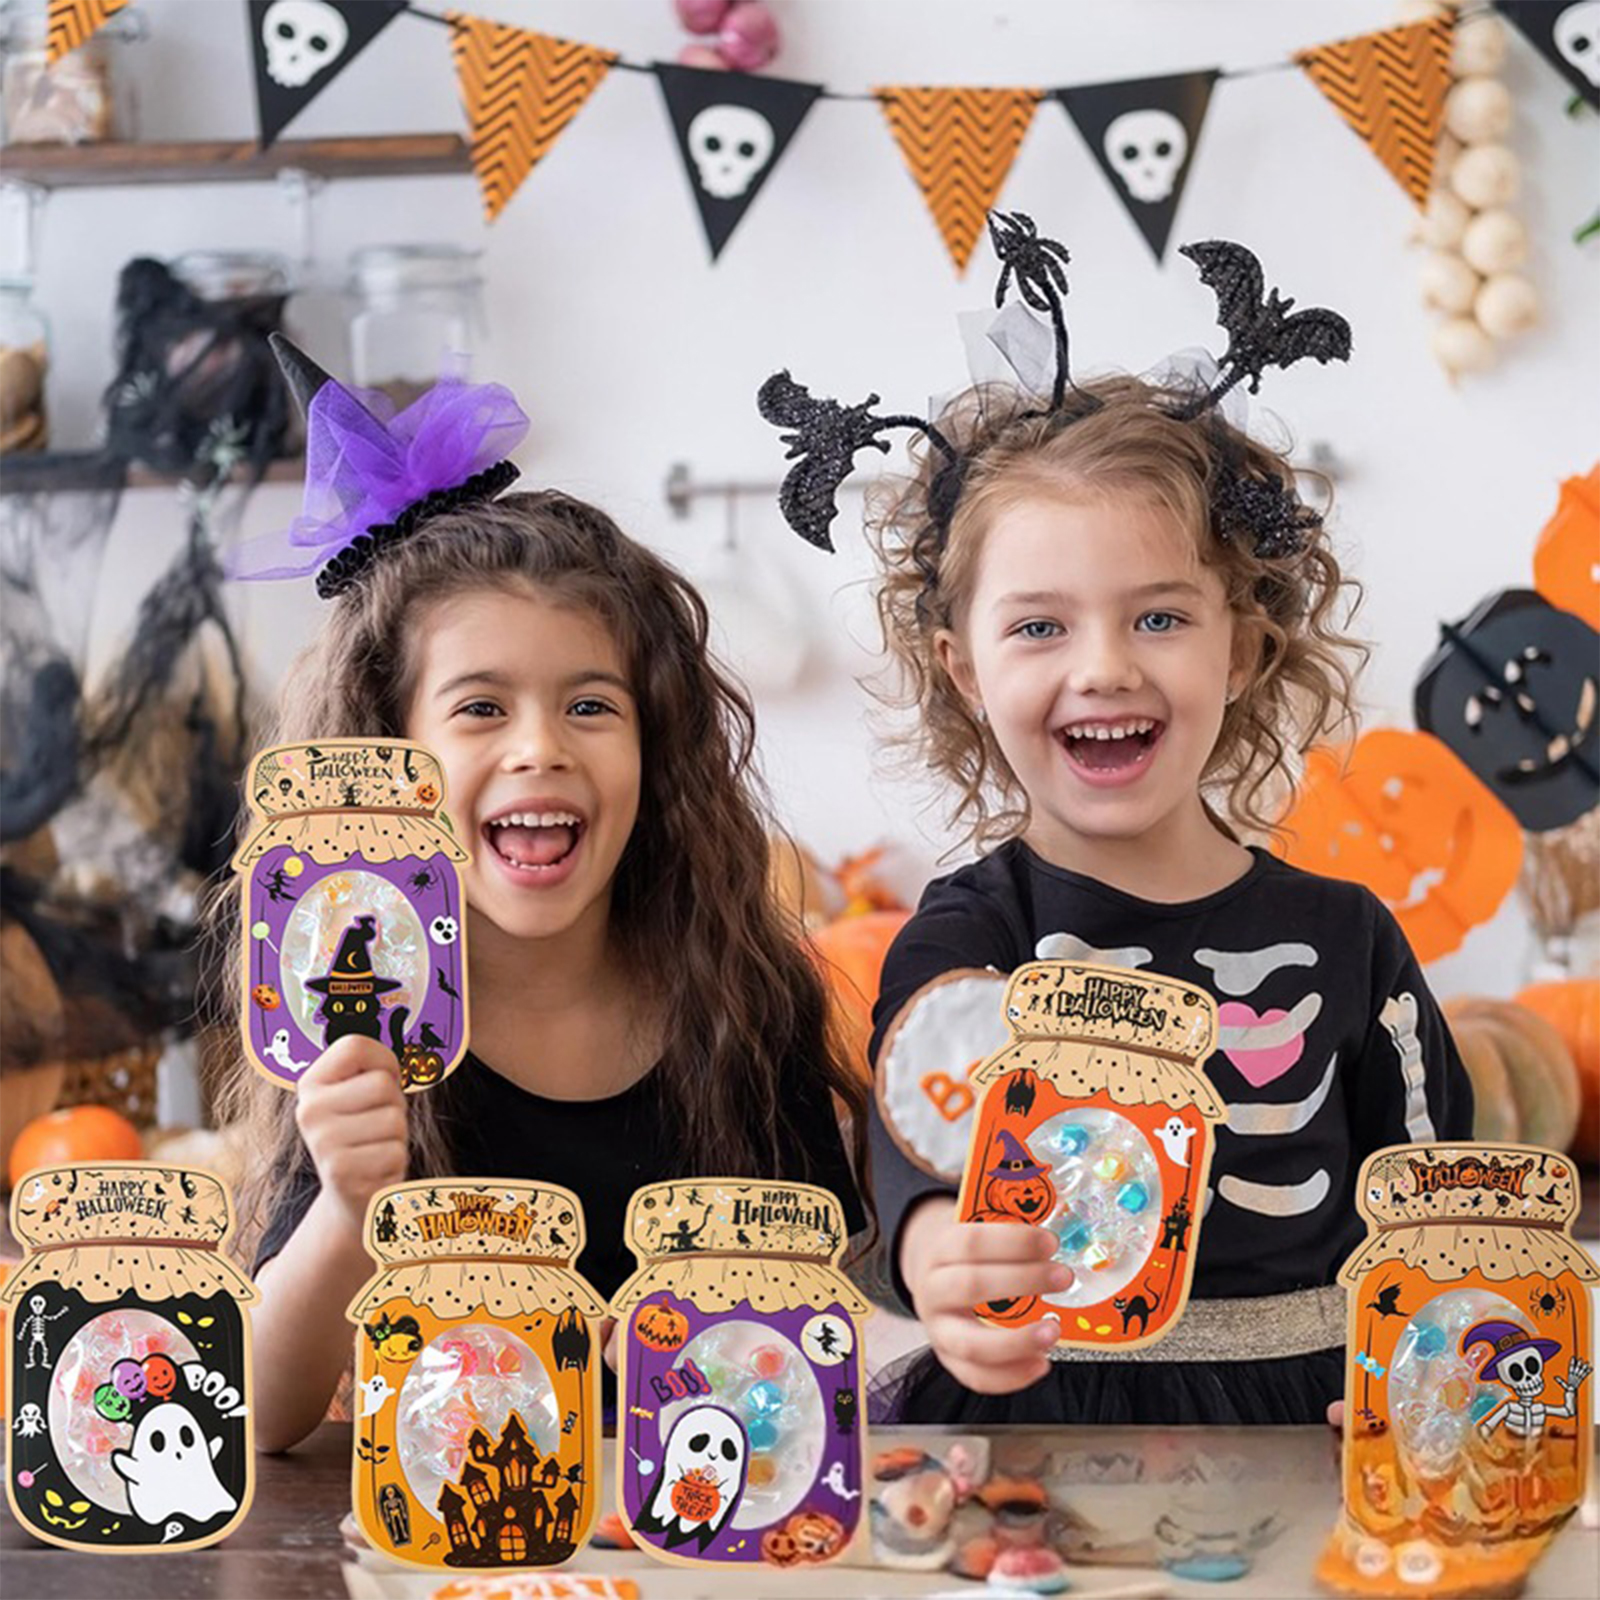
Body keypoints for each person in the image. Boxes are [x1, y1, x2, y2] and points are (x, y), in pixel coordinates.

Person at [756, 217, 1471, 1425]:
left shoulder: (1347, 937)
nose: (1102, 669)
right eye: (1039, 626)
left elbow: (1433, 1192)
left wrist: (1431, 1346)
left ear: (1241, 648)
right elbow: (914, 1137)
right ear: (964, 670)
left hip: (1304, 1422)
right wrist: (935, 1258)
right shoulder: (970, 935)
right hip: (1043, 1412)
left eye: (1158, 618)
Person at [216, 341, 868, 1452]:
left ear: (657, 748)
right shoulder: (359, 1027)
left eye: (590, 706)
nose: (539, 749)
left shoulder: (743, 1003)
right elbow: (263, 1418)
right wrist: (347, 1205)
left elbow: (817, 1322)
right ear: (393, 754)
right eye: (480, 708)